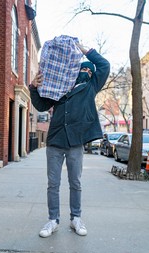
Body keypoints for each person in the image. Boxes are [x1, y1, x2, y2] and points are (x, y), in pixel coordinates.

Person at [29, 43, 110, 238]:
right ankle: (53, 220)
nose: (83, 72)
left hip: (75, 142)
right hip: (56, 140)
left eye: (85, 70)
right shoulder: (58, 84)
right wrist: (33, 87)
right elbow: (40, 105)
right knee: (53, 184)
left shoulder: (90, 86)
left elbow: (104, 65)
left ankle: (76, 218)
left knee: (75, 182)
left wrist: (85, 50)